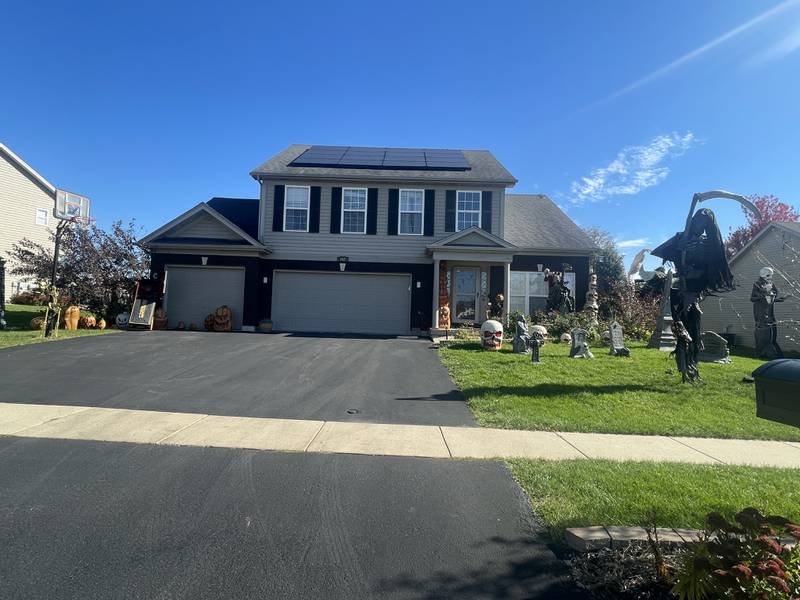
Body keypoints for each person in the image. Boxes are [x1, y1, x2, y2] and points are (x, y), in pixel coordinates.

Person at [751, 267, 786, 359]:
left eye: (771, 275)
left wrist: (779, 299)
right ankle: (765, 353)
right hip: (761, 311)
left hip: (770, 311)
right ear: (764, 274)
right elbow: (752, 298)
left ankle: (773, 353)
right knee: (764, 331)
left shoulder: (770, 283)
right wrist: (763, 296)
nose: (770, 277)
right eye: (768, 275)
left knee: (773, 331)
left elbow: (771, 297)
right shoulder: (757, 284)